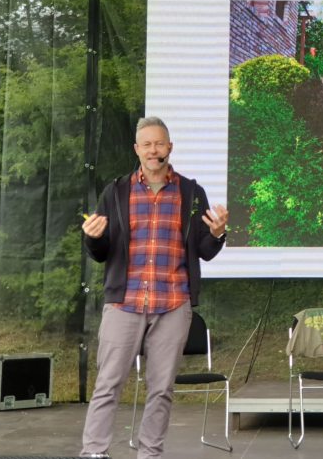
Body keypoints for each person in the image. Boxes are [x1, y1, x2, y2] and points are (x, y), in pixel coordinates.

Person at [79, 116, 228, 459]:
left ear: (169, 147)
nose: (153, 150)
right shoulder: (116, 191)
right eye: (146, 144)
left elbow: (204, 250)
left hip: (173, 303)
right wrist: (93, 238)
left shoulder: (191, 192)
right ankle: (94, 453)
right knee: (107, 384)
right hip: (124, 302)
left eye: (159, 143)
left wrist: (218, 233)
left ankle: (150, 454)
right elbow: (100, 252)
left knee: (161, 390)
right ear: (137, 149)